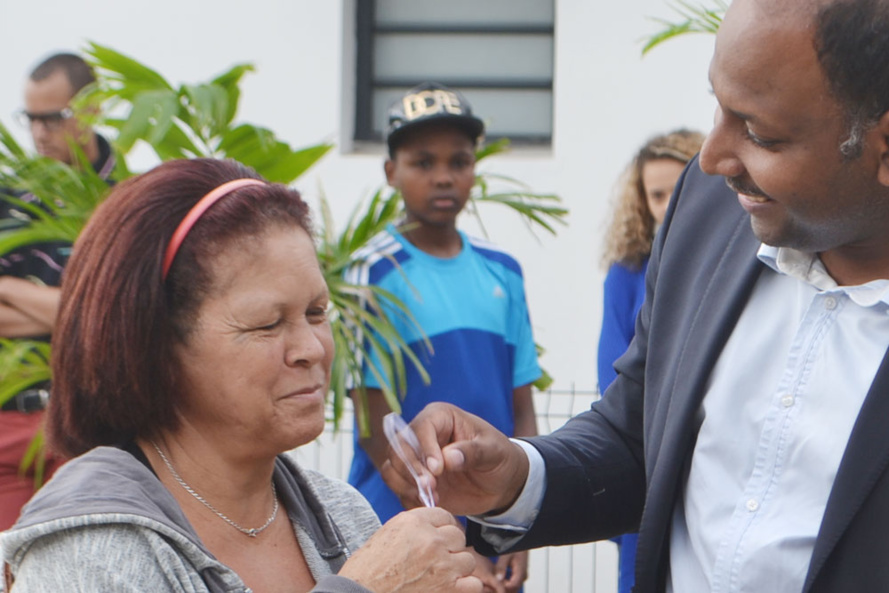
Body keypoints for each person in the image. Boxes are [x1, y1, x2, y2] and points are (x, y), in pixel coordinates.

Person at [382, 0, 889, 591]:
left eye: (759, 133)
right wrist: (516, 477)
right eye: (717, 106)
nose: (711, 158)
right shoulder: (708, 214)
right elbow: (638, 439)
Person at [0, 158, 482, 593]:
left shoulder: (340, 511)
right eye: (267, 324)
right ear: (156, 345)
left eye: (317, 312)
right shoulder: (88, 552)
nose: (312, 349)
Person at [345, 82, 541, 592]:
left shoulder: (504, 272)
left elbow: (522, 412)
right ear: (391, 172)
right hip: (402, 536)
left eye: (459, 161)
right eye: (422, 162)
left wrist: (523, 531)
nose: (443, 177)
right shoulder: (371, 274)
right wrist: (452, 542)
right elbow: (375, 429)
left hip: (493, 534)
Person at [0, 52, 116, 530]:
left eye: (53, 118)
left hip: (92, 419)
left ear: (91, 109)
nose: (40, 133)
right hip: (12, 415)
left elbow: (118, 315)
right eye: (31, 119)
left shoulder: (130, 199)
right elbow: (97, 310)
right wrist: (81, 306)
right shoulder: (11, 200)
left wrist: (8, 287)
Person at [596, 129, 704, 593]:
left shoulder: (745, 263)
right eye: (655, 195)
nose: (665, 205)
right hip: (645, 461)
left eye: (675, 188)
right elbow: (613, 370)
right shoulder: (628, 272)